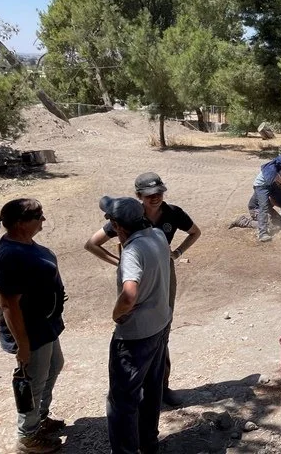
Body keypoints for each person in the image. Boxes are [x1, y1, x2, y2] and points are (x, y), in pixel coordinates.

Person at [84, 172, 200, 406]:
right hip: (135, 275)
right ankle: (138, 389)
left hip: (162, 270)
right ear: (139, 196)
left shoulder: (173, 213)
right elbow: (91, 244)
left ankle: (160, 386)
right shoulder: (129, 215)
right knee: (136, 325)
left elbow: (195, 232)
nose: (155, 197)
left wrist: (177, 253)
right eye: (149, 195)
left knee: (162, 325)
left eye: (159, 193)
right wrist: (121, 263)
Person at [101, 196, 171, 454]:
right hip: (159, 325)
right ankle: (149, 444)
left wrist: (116, 314)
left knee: (122, 401)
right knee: (151, 391)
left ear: (116, 225)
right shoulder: (157, 235)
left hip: (135, 335)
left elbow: (129, 293)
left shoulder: (132, 251)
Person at [0, 199, 66, 454]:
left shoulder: (22, 243)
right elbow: (8, 305)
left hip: (45, 324)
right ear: (20, 224)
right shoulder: (10, 255)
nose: (43, 220)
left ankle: (40, 417)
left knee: (54, 366)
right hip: (30, 330)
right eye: (38, 216)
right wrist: (23, 346)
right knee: (33, 382)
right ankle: (27, 436)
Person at [251, 154, 281, 242]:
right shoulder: (272, 171)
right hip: (261, 186)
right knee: (263, 208)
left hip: (271, 183)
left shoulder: (278, 164)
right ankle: (262, 234)